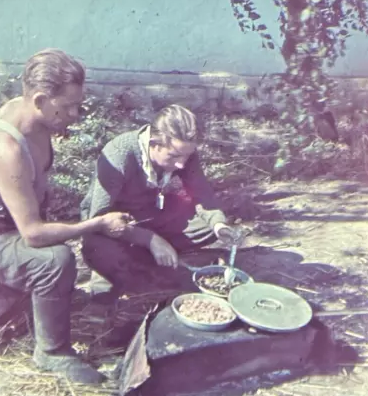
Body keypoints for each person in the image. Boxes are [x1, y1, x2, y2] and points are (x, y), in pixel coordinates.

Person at [0, 49, 131, 384]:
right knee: (54, 261)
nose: (76, 114)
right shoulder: (6, 148)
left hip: (7, 227)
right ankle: (52, 353)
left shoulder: (34, 115)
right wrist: (95, 224)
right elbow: (34, 235)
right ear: (38, 99)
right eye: (66, 106)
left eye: (77, 104)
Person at [80, 104, 246, 303]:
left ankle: (147, 256)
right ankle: (132, 265)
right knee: (98, 248)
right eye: (174, 156)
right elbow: (99, 218)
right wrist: (150, 239)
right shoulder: (120, 153)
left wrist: (219, 225)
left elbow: (202, 193)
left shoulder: (182, 152)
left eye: (187, 156)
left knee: (209, 225)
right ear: (153, 144)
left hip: (149, 215)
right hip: (112, 224)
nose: (181, 164)